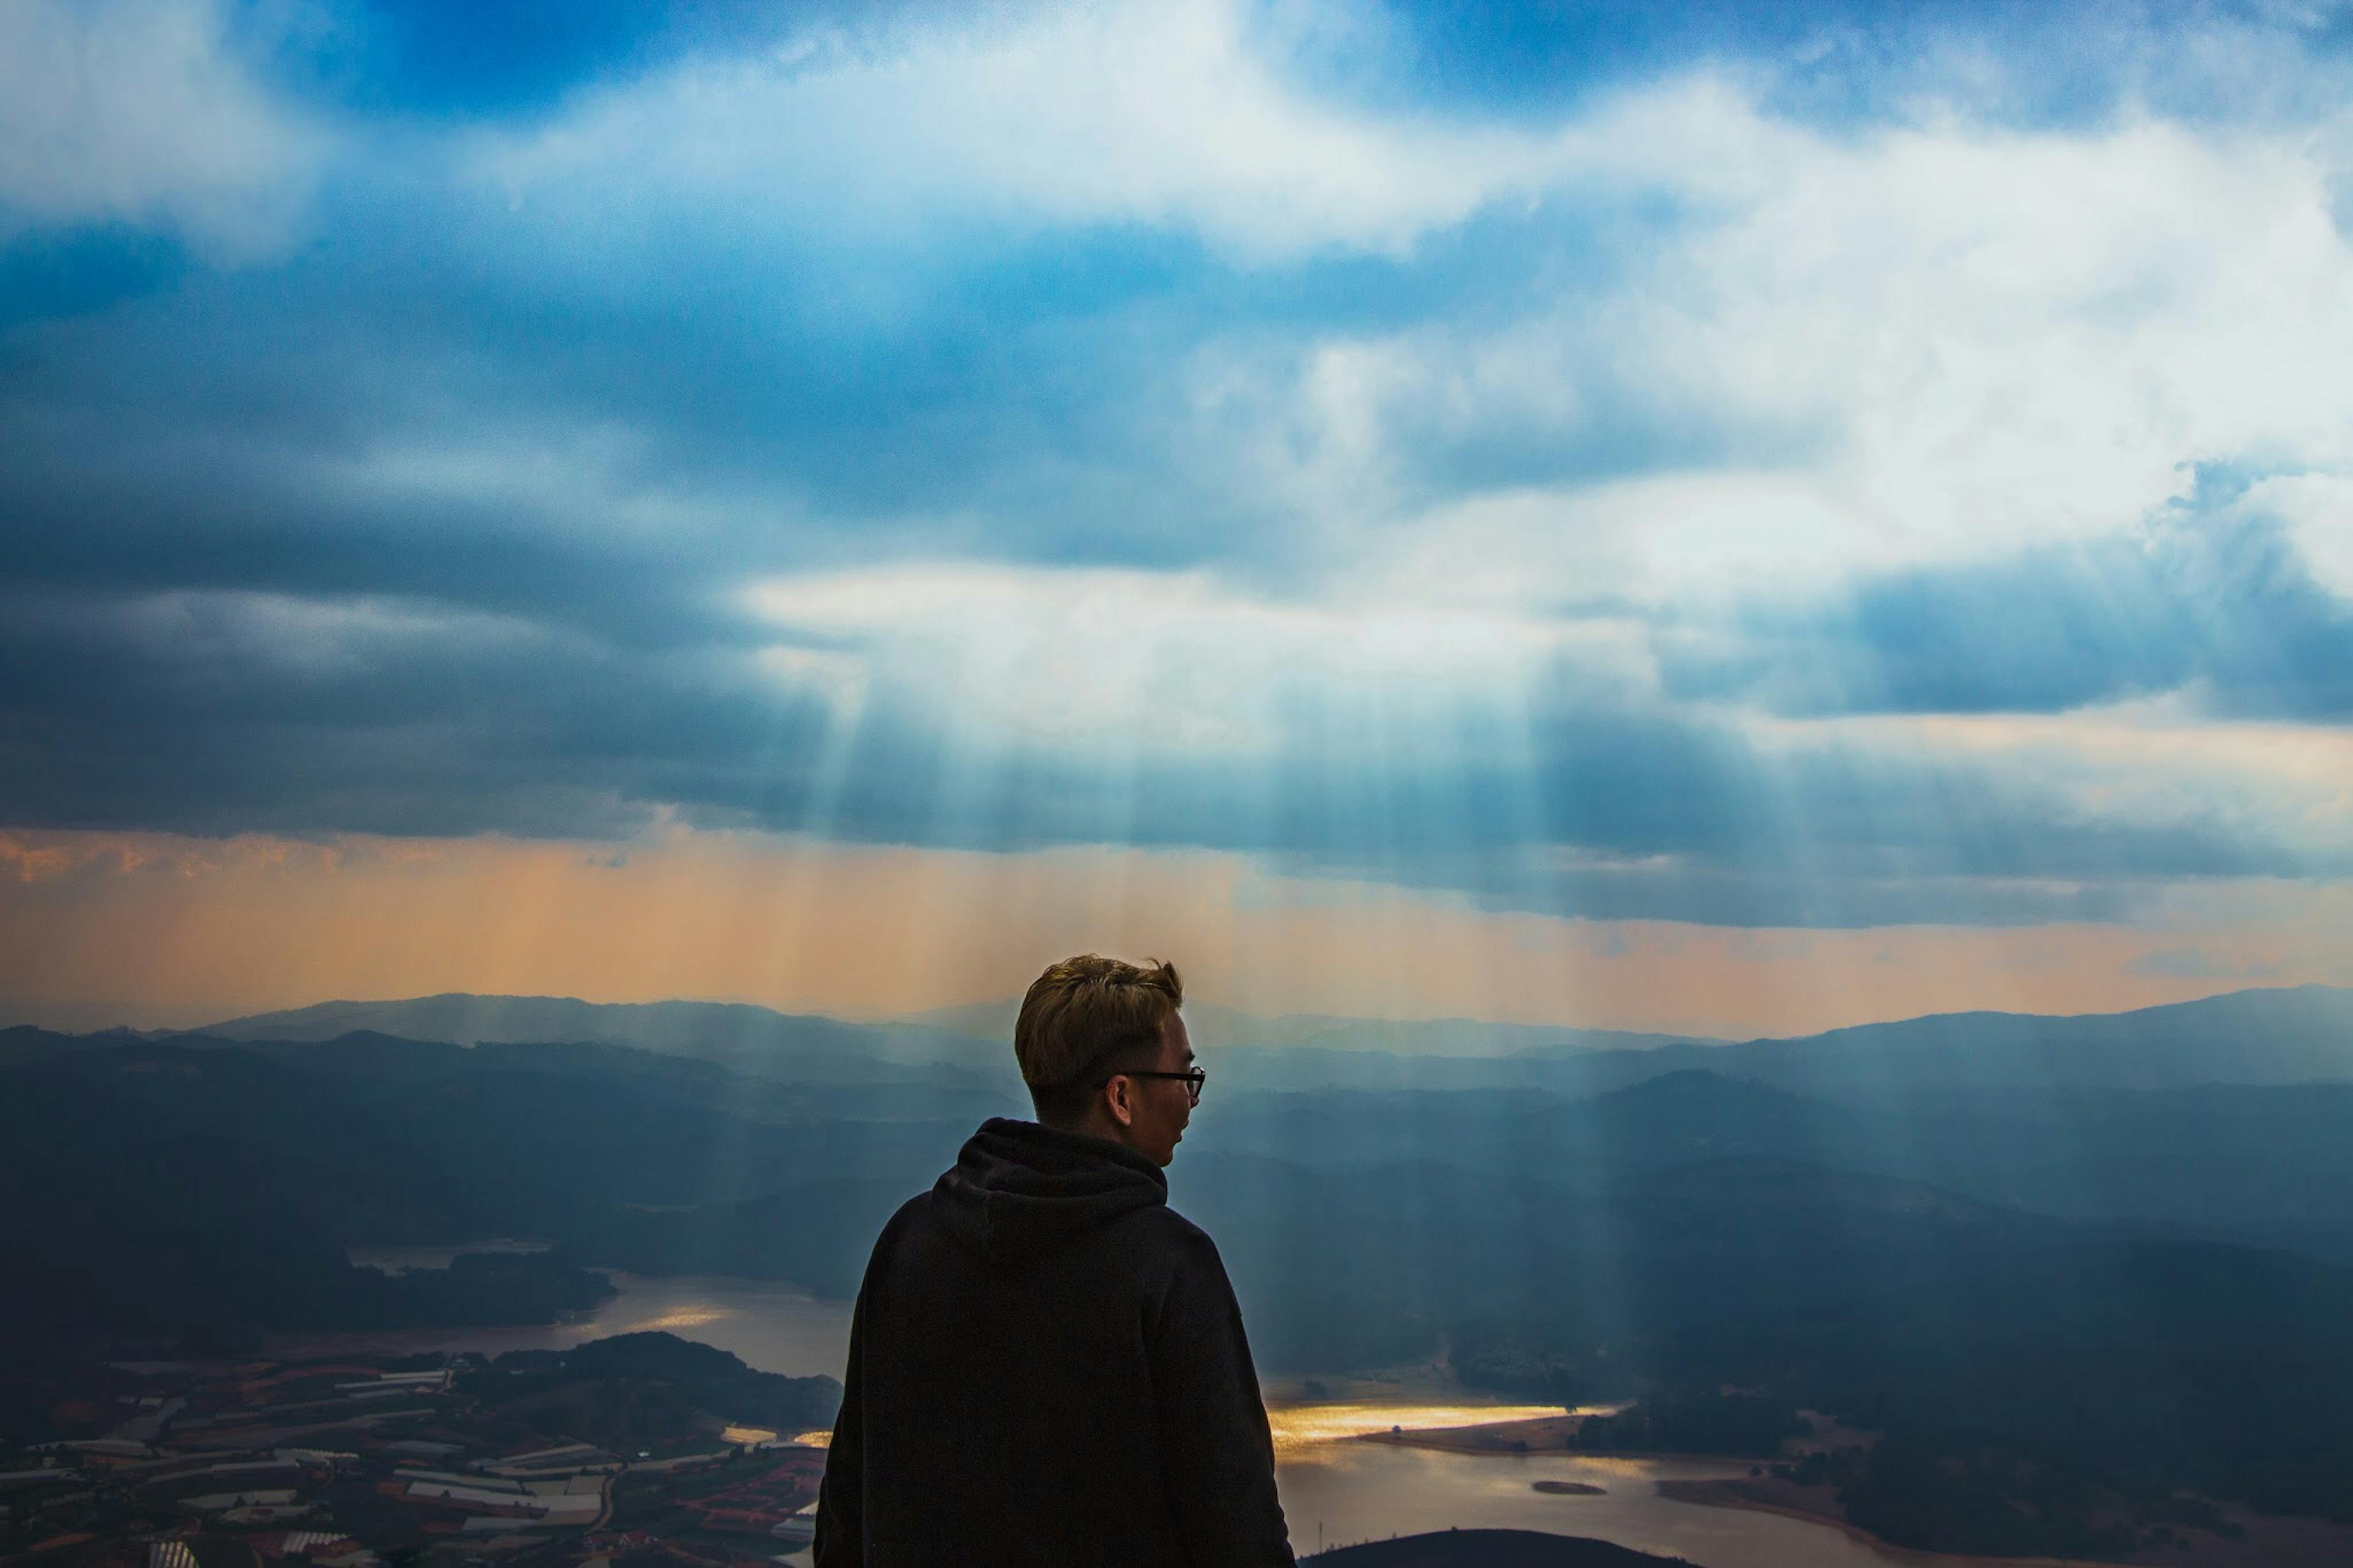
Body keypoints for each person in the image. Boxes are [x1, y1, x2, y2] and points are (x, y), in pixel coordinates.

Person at [813, 954, 1294, 1566]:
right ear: (1122, 1097)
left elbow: (848, 1498)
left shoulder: (912, 1238)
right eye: (1184, 1076)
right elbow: (1239, 1528)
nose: (1192, 1100)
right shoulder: (1170, 1269)